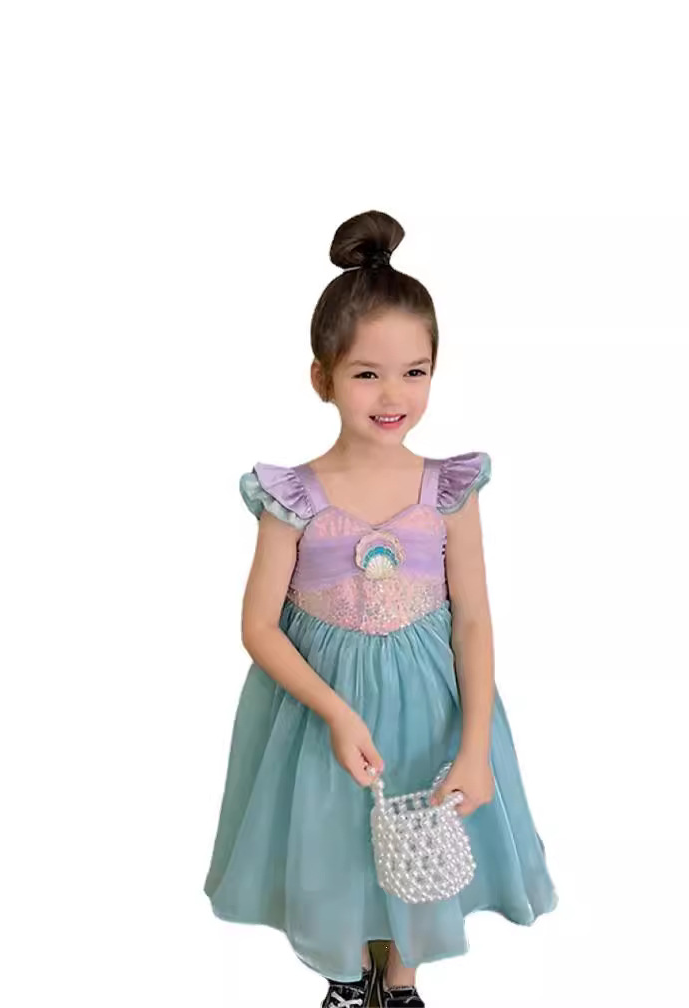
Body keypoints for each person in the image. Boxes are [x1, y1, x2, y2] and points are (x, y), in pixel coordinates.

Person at [203, 209, 558, 1008]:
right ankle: (343, 973)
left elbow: (473, 619)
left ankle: (400, 979)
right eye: (367, 374)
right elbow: (258, 626)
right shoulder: (292, 497)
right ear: (322, 377)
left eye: (414, 372)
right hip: (319, 709)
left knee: (424, 835)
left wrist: (474, 745)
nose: (393, 395)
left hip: (431, 707)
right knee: (334, 836)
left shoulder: (449, 489)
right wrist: (334, 711)